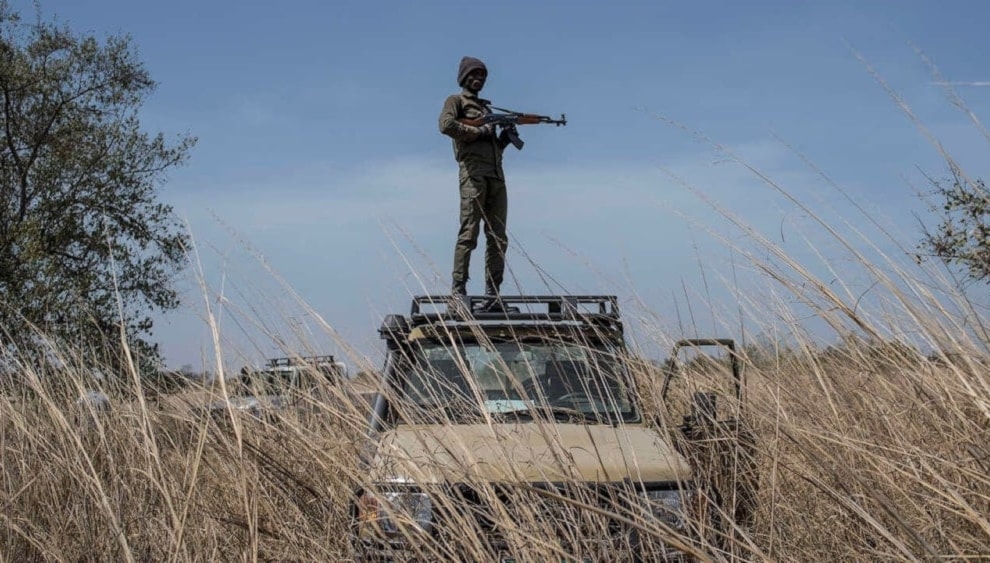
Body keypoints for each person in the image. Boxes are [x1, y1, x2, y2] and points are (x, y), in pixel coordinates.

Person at [438, 56, 516, 307]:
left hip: (496, 176)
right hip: (473, 175)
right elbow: (446, 125)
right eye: (474, 74)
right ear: (463, 77)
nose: (479, 79)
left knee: (498, 237)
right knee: (468, 233)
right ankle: (458, 291)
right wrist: (478, 130)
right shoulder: (456, 101)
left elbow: (493, 148)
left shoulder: (487, 109)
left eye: (482, 75)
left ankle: (493, 294)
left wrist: (504, 139)